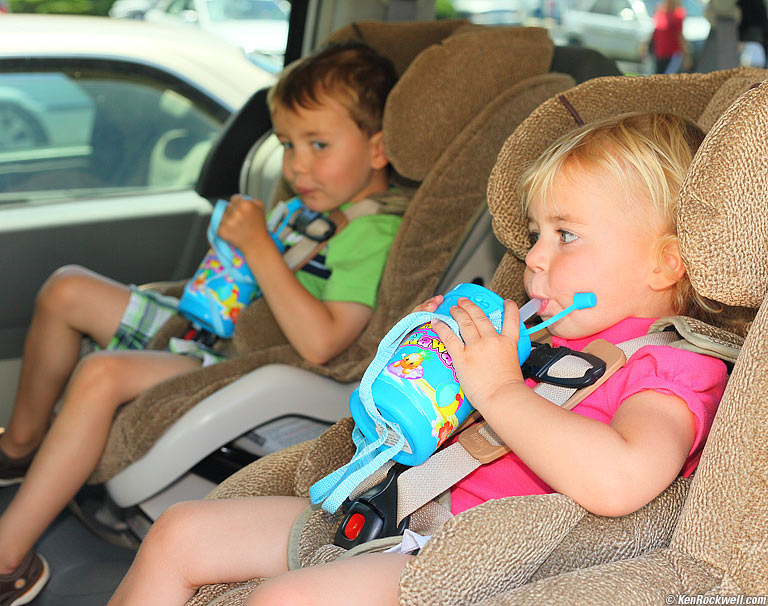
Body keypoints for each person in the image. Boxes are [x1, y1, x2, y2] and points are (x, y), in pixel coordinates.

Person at [107, 112, 733, 606]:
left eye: (565, 236)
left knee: (286, 599)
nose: (535, 256)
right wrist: (434, 357)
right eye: (536, 233)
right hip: (389, 507)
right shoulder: (543, 338)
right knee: (179, 531)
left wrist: (500, 391)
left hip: (460, 558)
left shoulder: (672, 367)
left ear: (665, 261)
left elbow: (623, 480)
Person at [0, 40, 401, 605]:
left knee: (101, 374)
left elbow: (321, 341)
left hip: (250, 361)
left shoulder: (373, 234)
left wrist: (258, 246)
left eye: (318, 144)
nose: (297, 166)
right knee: (67, 288)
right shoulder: (312, 214)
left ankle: (6, 557)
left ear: (379, 148)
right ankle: (19, 448)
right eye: (288, 145)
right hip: (214, 327)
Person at [648, 0, 689, 73]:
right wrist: (646, 45)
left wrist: (686, 56)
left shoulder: (678, 14)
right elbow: (655, 31)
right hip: (659, 53)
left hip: (673, 54)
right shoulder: (660, 13)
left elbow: (680, 36)